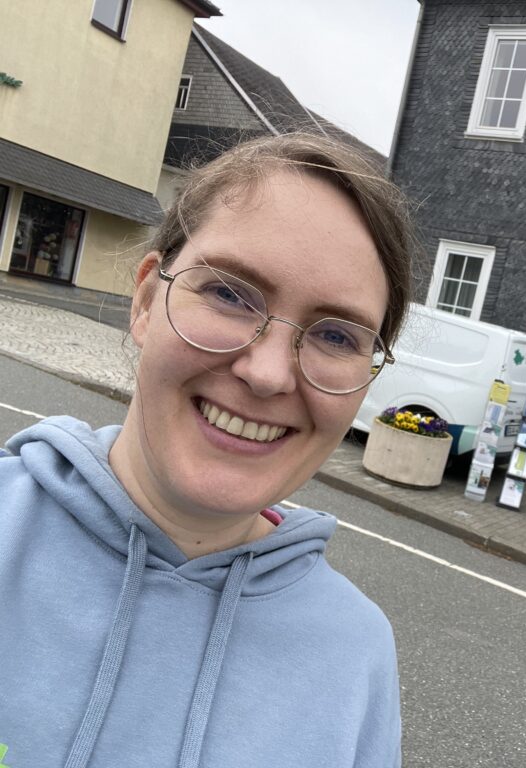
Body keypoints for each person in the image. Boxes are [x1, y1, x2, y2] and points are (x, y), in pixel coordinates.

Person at [0, 133, 413, 767]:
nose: (269, 373)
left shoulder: (356, 657)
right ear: (145, 300)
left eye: (335, 335)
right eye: (228, 293)